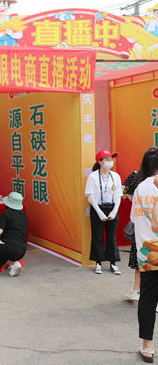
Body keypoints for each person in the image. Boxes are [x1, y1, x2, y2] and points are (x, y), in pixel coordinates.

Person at [130, 147, 158, 362]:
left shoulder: (140, 187)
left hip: (146, 251)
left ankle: (147, 347)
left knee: (147, 299)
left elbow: (134, 219)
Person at [85, 149, 123, 275]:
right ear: (100, 162)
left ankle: (113, 263)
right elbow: (90, 196)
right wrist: (100, 213)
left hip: (112, 208)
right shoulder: (93, 176)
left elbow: (118, 195)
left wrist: (114, 211)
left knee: (111, 237)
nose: (110, 161)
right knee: (97, 236)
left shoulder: (115, 176)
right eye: (107, 159)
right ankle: (98, 263)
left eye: (111, 159)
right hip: (98, 208)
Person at [123, 171, 141, 302]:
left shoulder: (136, 176)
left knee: (140, 261)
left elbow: (129, 196)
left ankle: (136, 289)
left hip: (140, 226)